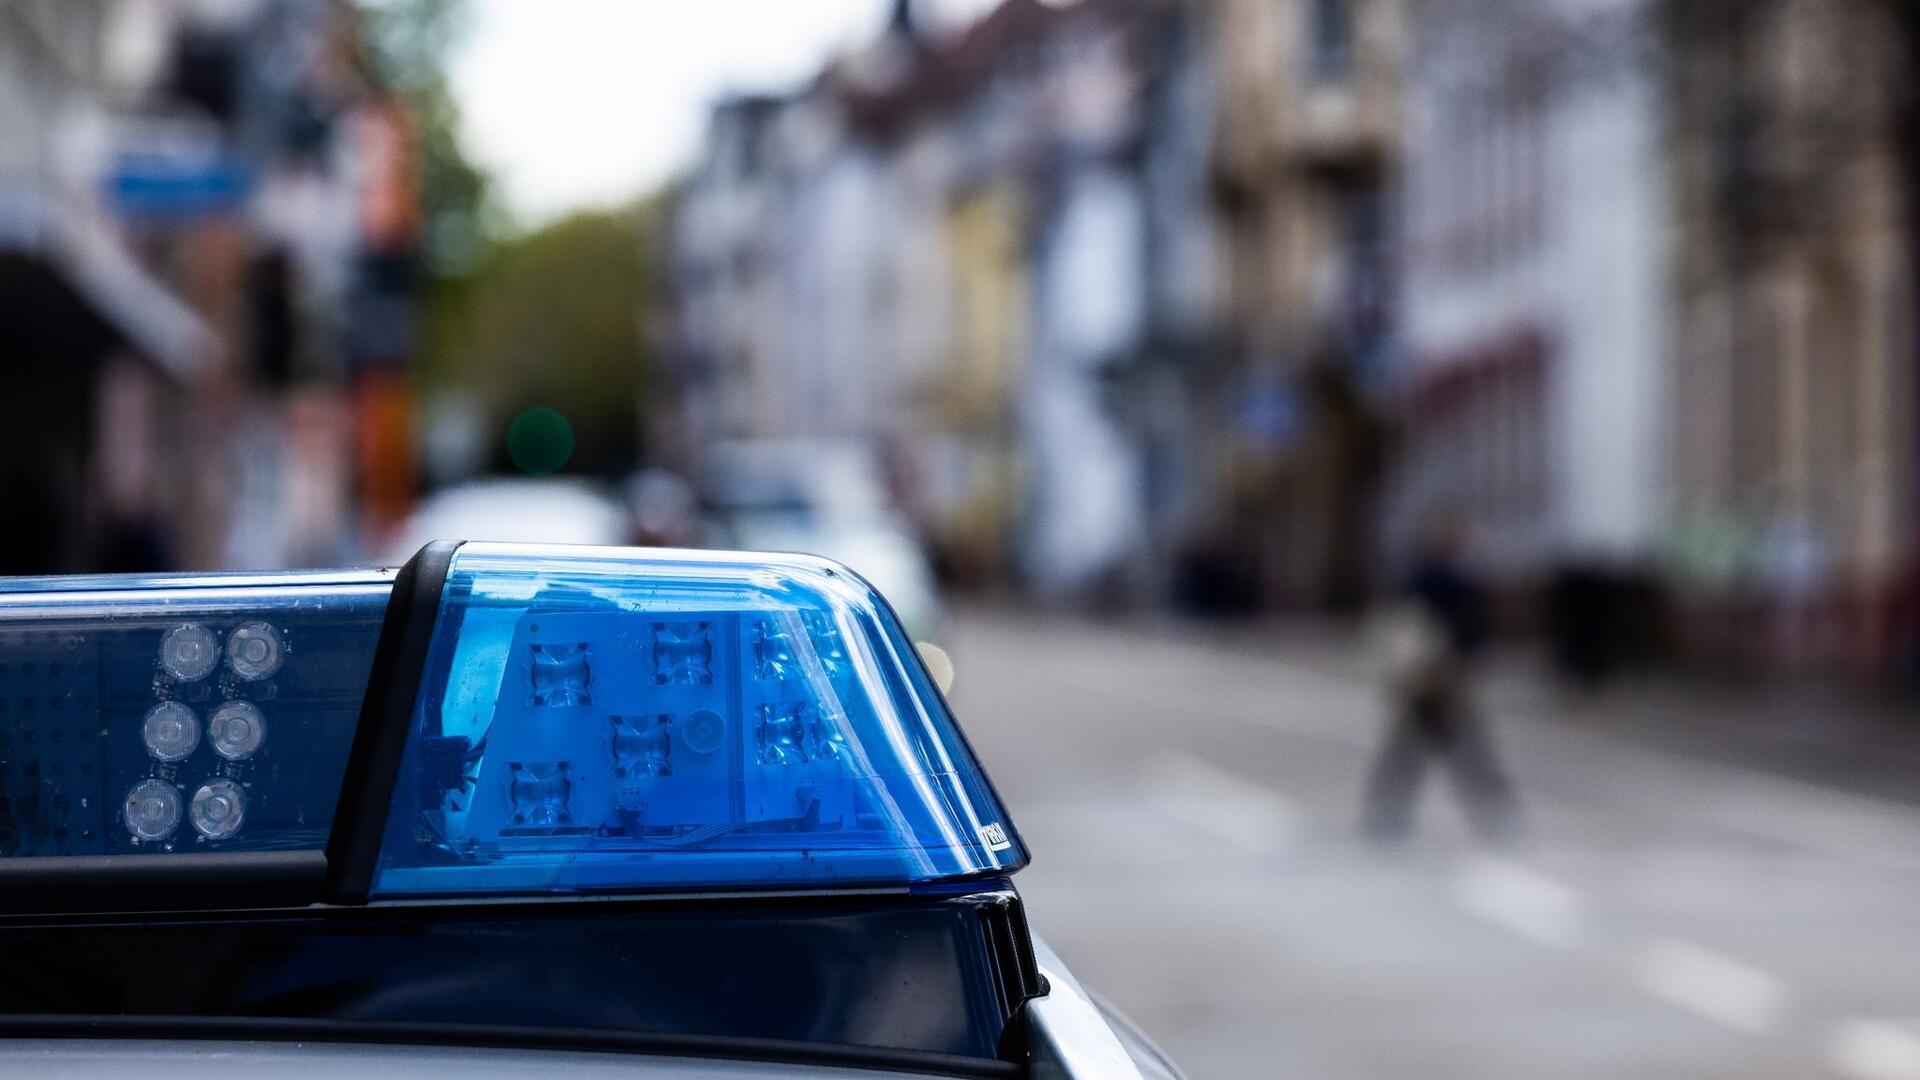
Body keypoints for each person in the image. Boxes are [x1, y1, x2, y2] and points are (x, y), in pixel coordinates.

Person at [1361, 512, 1518, 840]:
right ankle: (1495, 815)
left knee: (1420, 750)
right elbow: (1456, 631)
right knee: (1453, 749)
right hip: (1436, 678)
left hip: (1433, 679)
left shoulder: (1421, 580)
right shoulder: (1439, 582)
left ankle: (1386, 816)